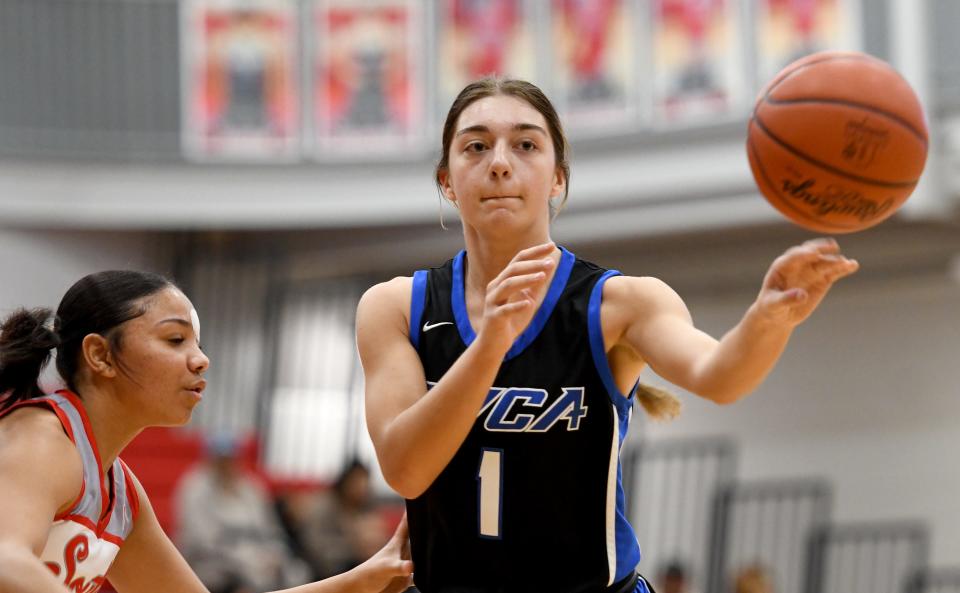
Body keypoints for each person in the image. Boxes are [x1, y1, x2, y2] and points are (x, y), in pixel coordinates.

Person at [356, 77, 858, 593]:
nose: (500, 162)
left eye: (526, 144)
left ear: (557, 179)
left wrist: (768, 319)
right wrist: (490, 346)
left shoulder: (620, 304)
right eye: (476, 146)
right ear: (446, 180)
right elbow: (406, 469)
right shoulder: (397, 307)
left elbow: (719, 377)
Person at [0, 270, 413, 593]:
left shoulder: (121, 491)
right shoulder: (45, 439)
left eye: (197, 343)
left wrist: (360, 580)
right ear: (100, 355)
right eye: (175, 339)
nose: (201, 360)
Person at [174, 433, 310, 593]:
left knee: (298, 574)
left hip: (258, 555)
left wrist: (274, 554)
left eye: (230, 458)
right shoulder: (194, 488)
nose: (226, 464)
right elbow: (200, 540)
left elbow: (271, 530)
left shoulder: (251, 488)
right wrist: (242, 559)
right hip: (213, 561)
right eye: (221, 459)